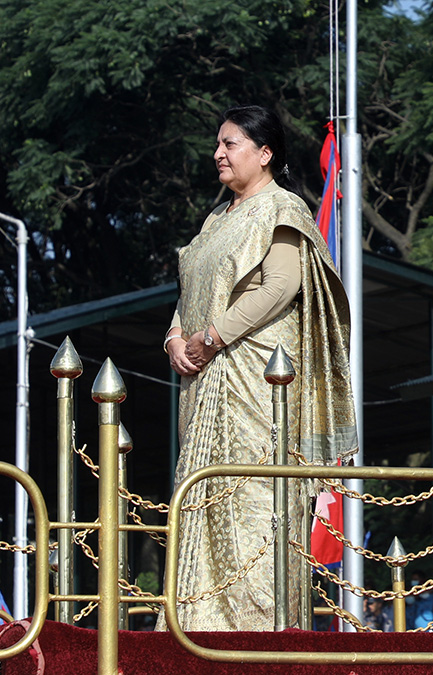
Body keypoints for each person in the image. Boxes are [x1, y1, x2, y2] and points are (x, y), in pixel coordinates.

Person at [159, 104, 358, 631]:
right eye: (218, 144)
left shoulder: (283, 207)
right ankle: (196, 630)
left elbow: (281, 284)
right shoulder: (214, 220)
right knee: (202, 501)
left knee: (254, 503)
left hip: (256, 382)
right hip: (204, 381)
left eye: (230, 144)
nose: (218, 154)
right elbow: (191, 294)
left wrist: (214, 336)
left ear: (265, 154)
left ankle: (258, 634)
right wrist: (175, 337)